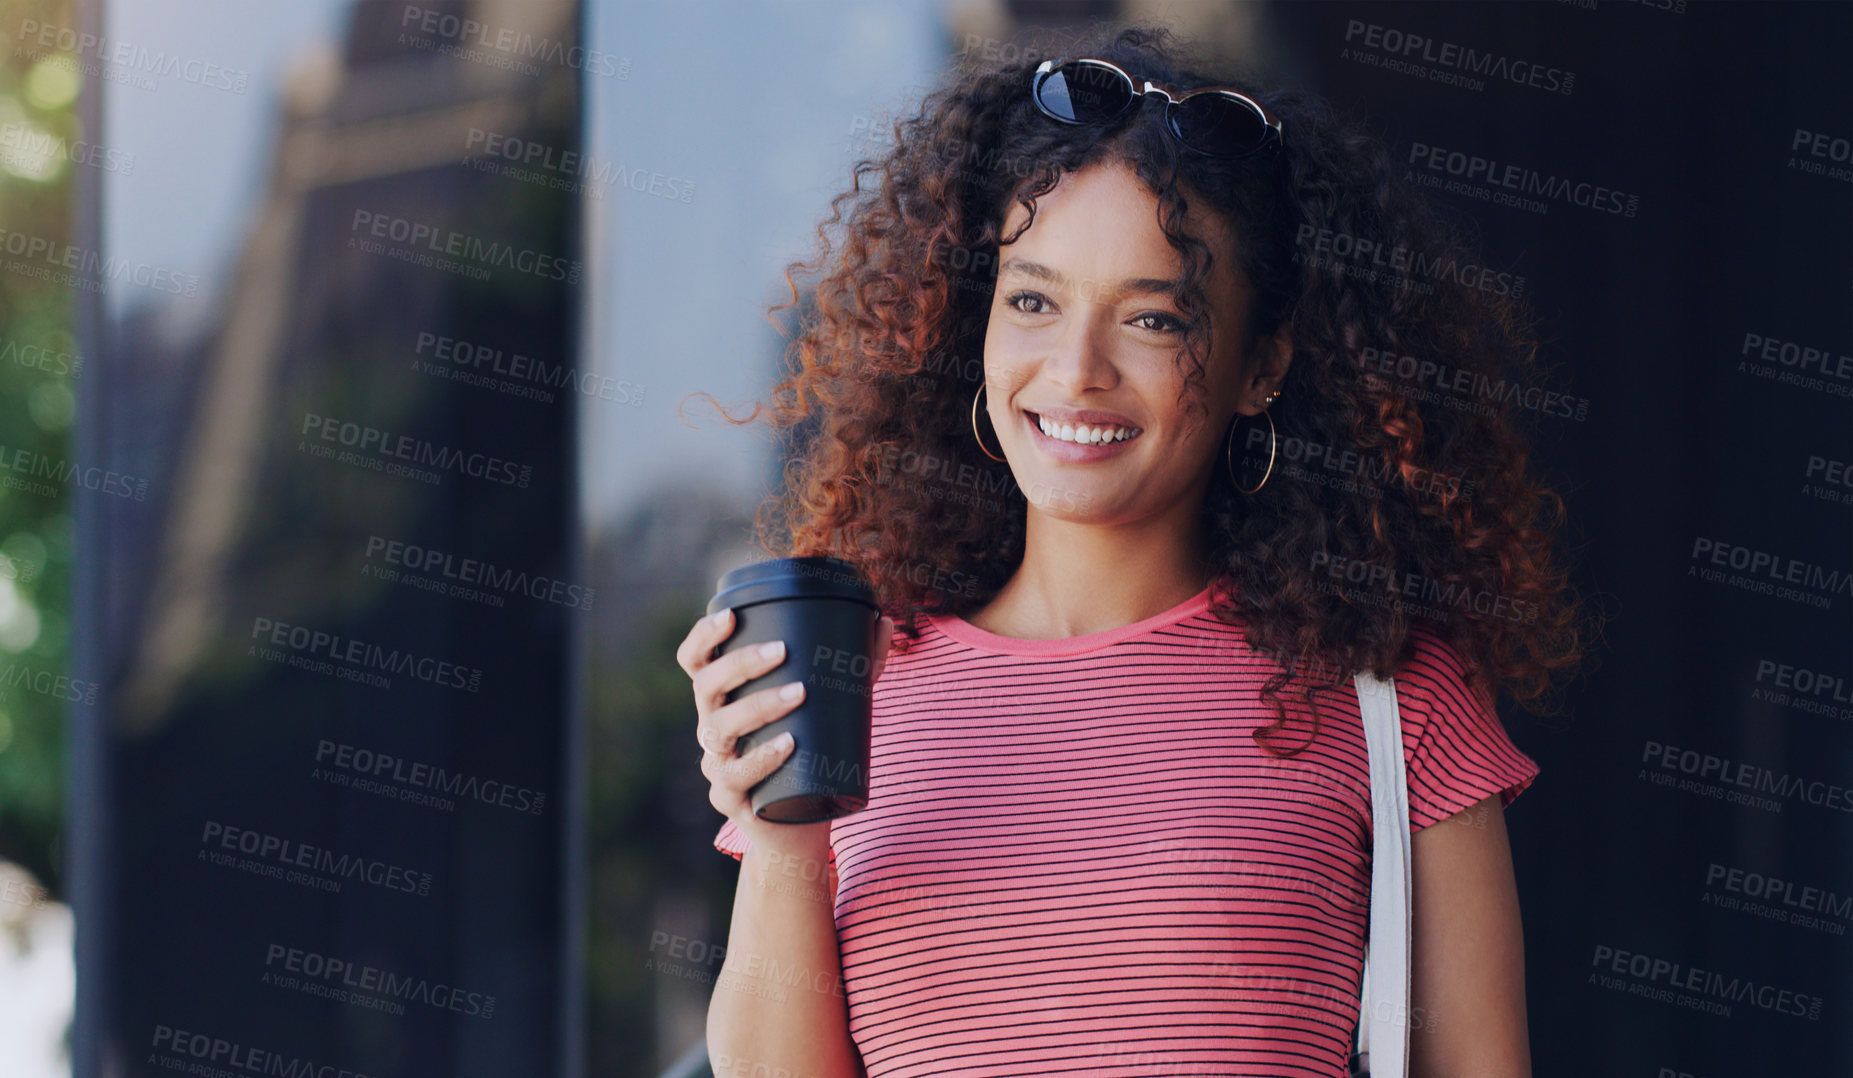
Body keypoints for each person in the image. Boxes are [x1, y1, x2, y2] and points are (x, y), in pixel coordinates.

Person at [676, 22, 1591, 1078]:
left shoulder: (1391, 694)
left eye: (1154, 320)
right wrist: (781, 828)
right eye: (1031, 301)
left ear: (1261, 366)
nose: (1074, 371)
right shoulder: (855, 686)